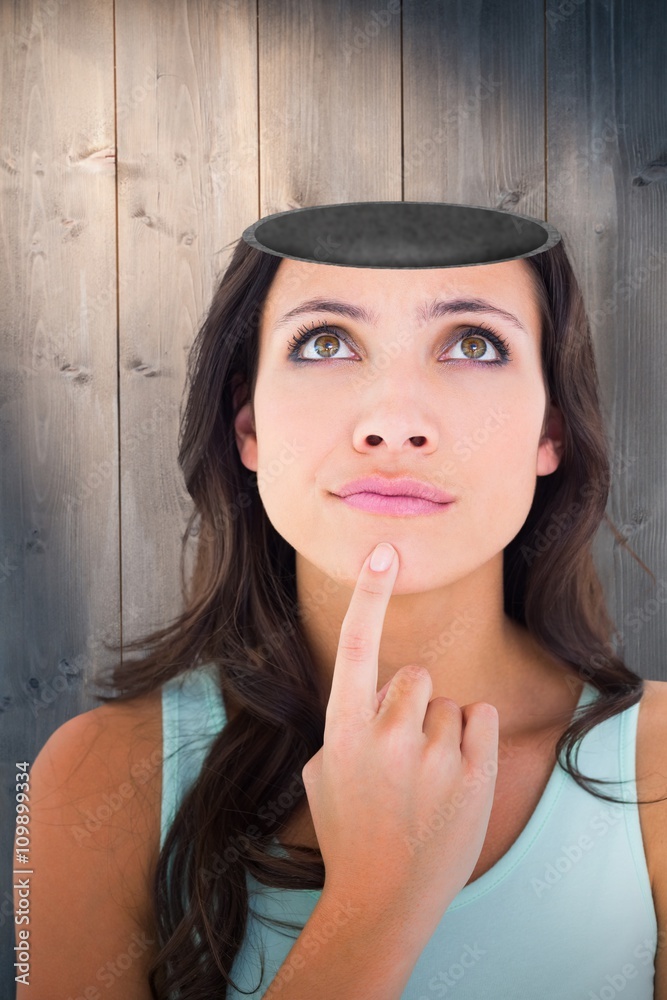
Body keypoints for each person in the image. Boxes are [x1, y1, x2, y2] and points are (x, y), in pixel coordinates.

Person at [16, 205, 667, 1000]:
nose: (393, 424)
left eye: (473, 343)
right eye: (324, 342)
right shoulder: (91, 778)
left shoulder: (657, 770)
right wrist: (374, 905)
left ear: (550, 431)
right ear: (246, 422)